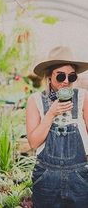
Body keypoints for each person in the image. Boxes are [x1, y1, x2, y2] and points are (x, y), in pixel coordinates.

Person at [26, 46, 88, 208]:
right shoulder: (35, 100)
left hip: (79, 177)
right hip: (46, 178)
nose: (66, 81)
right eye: (60, 76)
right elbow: (33, 143)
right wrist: (51, 114)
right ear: (49, 76)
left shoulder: (83, 97)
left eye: (71, 76)